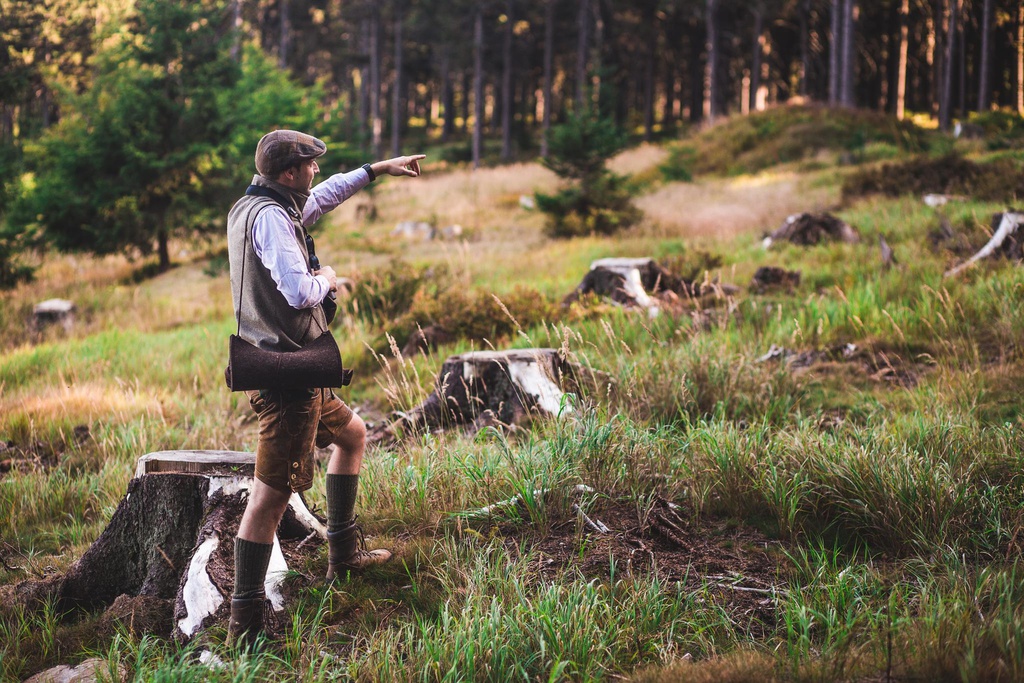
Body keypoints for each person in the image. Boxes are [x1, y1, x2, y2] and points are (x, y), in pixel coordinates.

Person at [226, 129, 424, 647]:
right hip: (287, 379)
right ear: (289, 172)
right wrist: (329, 278)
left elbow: (326, 195)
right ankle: (243, 626)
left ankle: (344, 557)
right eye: (310, 165)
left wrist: (377, 169)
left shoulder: (261, 204)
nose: (316, 172)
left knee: (353, 435)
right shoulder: (273, 219)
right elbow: (297, 292)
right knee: (270, 498)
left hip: (303, 370)